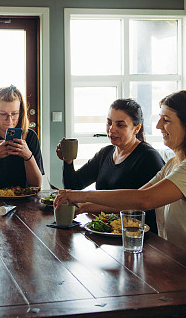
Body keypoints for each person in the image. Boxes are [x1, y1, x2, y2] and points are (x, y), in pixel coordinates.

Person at [54, 90, 186, 254]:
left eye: (166, 120)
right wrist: (84, 207)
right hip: (171, 257)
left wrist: (83, 196)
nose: (159, 125)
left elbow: (144, 201)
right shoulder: (174, 164)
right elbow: (136, 198)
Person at [57, 98, 164, 231]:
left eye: (120, 125)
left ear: (136, 128)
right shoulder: (106, 153)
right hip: (107, 232)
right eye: (109, 123)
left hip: (136, 236)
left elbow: (142, 206)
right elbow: (73, 186)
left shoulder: (149, 158)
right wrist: (68, 161)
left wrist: (87, 206)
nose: (112, 129)